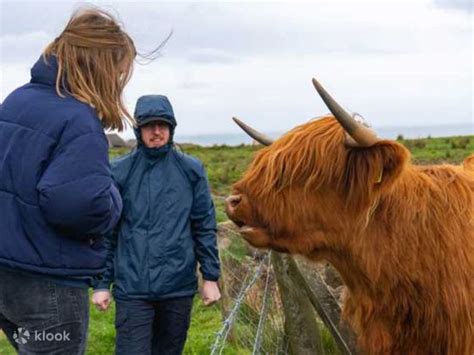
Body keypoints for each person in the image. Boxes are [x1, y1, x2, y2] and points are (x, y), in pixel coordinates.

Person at [0, 7, 136, 355]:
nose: (119, 82)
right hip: (48, 286)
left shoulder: (16, 100)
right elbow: (75, 206)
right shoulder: (78, 120)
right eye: (119, 73)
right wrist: (113, 203)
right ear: (101, 67)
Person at [92, 95, 221, 355]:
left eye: (163, 124)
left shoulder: (191, 170)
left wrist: (210, 277)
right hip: (133, 289)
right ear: (138, 129)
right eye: (149, 125)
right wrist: (102, 283)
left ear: (172, 128)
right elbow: (106, 232)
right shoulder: (118, 172)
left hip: (178, 287)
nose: (157, 131)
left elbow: (203, 225)